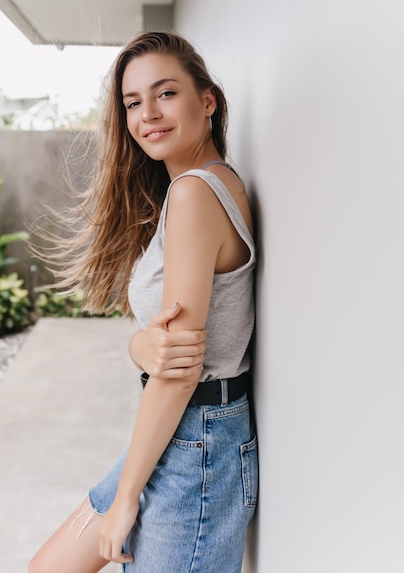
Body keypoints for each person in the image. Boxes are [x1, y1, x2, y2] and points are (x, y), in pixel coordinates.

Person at [28, 31, 258, 573]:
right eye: (133, 102)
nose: (147, 113)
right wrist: (138, 344)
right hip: (178, 435)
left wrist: (126, 498)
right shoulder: (194, 188)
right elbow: (164, 348)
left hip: (197, 444)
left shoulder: (196, 193)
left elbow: (180, 370)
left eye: (166, 93)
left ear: (208, 100)